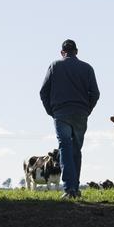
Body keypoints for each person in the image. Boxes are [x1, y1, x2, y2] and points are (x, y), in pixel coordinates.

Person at [39, 39, 100, 199]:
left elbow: (43, 92)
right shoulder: (87, 68)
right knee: (76, 150)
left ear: (62, 52)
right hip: (80, 113)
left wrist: (51, 111)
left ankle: (69, 188)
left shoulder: (55, 66)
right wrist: (87, 110)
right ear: (77, 51)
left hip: (61, 113)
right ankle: (75, 187)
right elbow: (95, 94)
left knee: (65, 149)